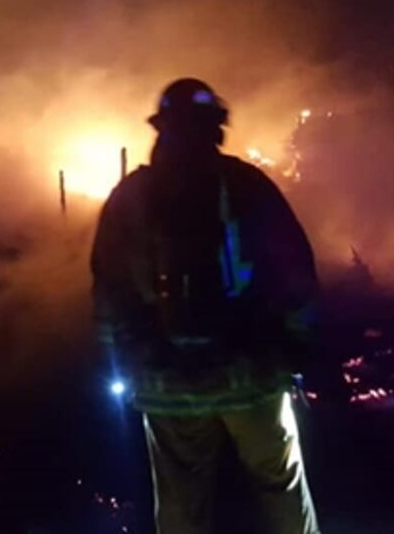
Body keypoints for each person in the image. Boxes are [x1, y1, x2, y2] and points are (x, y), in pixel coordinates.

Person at [91, 79, 320, 533]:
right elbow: (296, 277)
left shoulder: (129, 198)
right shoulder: (247, 185)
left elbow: (108, 295)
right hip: (251, 376)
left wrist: (125, 359)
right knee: (280, 483)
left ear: (160, 129)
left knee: (180, 499)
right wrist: (297, 347)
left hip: (166, 384)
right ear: (217, 128)